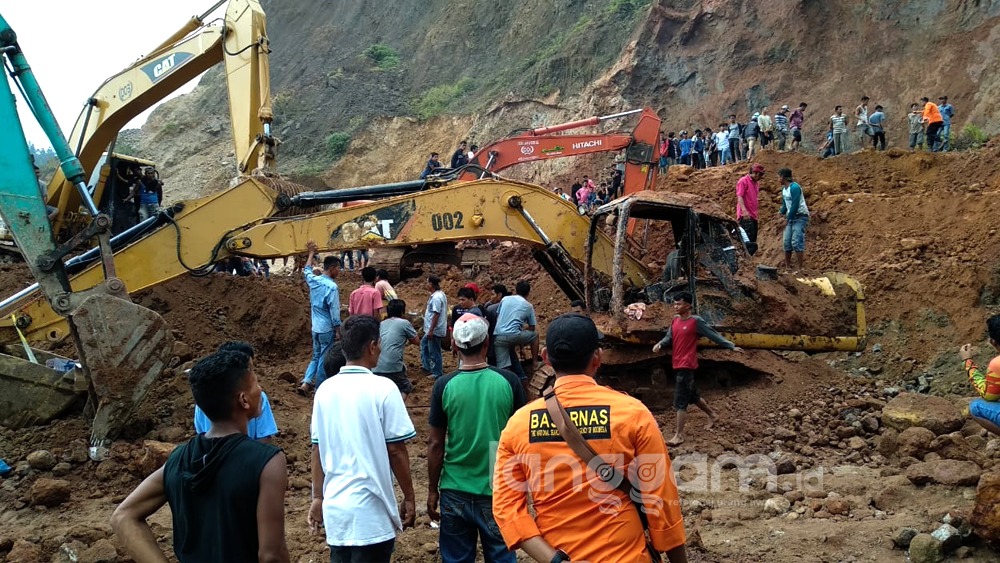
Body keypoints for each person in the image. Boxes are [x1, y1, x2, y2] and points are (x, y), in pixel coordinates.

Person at [493, 313, 688, 563]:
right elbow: (661, 499)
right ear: (598, 357)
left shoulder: (518, 425)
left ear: (546, 358)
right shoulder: (633, 414)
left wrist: (554, 560)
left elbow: (507, 509)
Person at [112, 350, 289, 562]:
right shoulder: (268, 462)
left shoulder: (178, 459)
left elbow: (123, 516)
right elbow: (272, 555)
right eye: (256, 383)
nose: (260, 389)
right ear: (243, 400)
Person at [309, 315, 416, 563]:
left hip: (337, 512)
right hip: (372, 513)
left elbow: (317, 449)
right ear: (371, 346)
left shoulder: (324, 391)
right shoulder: (384, 388)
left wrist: (317, 497)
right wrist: (409, 496)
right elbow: (397, 451)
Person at [428, 314, 525, 563]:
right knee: (502, 556)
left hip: (454, 488)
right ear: (487, 344)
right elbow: (521, 440)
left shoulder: (443, 385)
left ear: (455, 346)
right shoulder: (509, 381)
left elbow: (436, 444)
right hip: (497, 489)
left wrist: (432, 490)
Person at [653, 292, 741, 447]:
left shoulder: (696, 322)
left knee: (680, 401)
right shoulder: (675, 320)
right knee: (691, 395)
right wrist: (660, 343)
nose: (675, 307)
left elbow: (713, 335)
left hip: (687, 365)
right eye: (674, 304)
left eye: (678, 304)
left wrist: (731, 346)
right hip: (677, 363)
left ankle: (679, 436)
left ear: (688, 305)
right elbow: (669, 337)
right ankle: (713, 415)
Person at [194, 341, 278, 442]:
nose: (251, 373)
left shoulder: (203, 399)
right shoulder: (259, 397)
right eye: (248, 369)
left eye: (251, 369)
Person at [299, 241, 341, 395]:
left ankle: (306, 382)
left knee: (315, 356)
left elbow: (307, 270)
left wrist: (311, 253)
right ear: (332, 268)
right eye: (338, 268)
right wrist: (338, 329)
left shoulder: (314, 281)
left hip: (315, 327)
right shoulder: (332, 287)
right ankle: (319, 388)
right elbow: (334, 312)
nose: (339, 272)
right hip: (326, 328)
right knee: (324, 358)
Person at [960, 315, 1000, 436]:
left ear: (993, 341)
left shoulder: (997, 364)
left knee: (976, 407)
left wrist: (967, 362)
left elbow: (989, 396)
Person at [493, 280, 539, 384]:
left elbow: (499, 315)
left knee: (504, 369)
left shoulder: (505, 299)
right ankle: (535, 363)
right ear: (528, 293)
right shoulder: (528, 306)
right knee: (535, 336)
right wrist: (523, 327)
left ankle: (505, 388)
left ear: (515, 290)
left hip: (499, 336)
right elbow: (532, 327)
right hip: (513, 335)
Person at [373, 299, 419, 400]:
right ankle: (398, 407)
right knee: (405, 386)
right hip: (392, 366)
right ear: (402, 312)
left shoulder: (381, 324)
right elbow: (416, 341)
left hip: (375, 365)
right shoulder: (404, 323)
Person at [778, 168, 809, 270]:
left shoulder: (794, 187)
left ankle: (801, 268)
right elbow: (785, 205)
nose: (778, 179)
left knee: (796, 240)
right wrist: (780, 213)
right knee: (787, 242)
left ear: (783, 177)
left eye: (779, 177)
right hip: (791, 217)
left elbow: (795, 206)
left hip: (800, 216)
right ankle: (788, 267)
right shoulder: (784, 190)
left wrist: (787, 219)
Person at [422, 275, 449, 379]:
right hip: (431, 329)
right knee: (424, 345)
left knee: (434, 350)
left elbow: (436, 314)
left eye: (427, 282)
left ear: (431, 284)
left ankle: (437, 372)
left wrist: (431, 330)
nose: (426, 284)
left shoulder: (437, 297)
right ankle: (427, 366)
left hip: (434, 330)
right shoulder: (438, 295)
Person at [736, 164, 764, 256]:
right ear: (755, 173)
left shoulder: (756, 184)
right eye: (760, 174)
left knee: (752, 241)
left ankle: (747, 262)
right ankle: (743, 261)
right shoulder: (743, 181)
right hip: (746, 216)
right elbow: (740, 196)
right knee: (747, 243)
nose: (760, 177)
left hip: (753, 215)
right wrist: (744, 210)